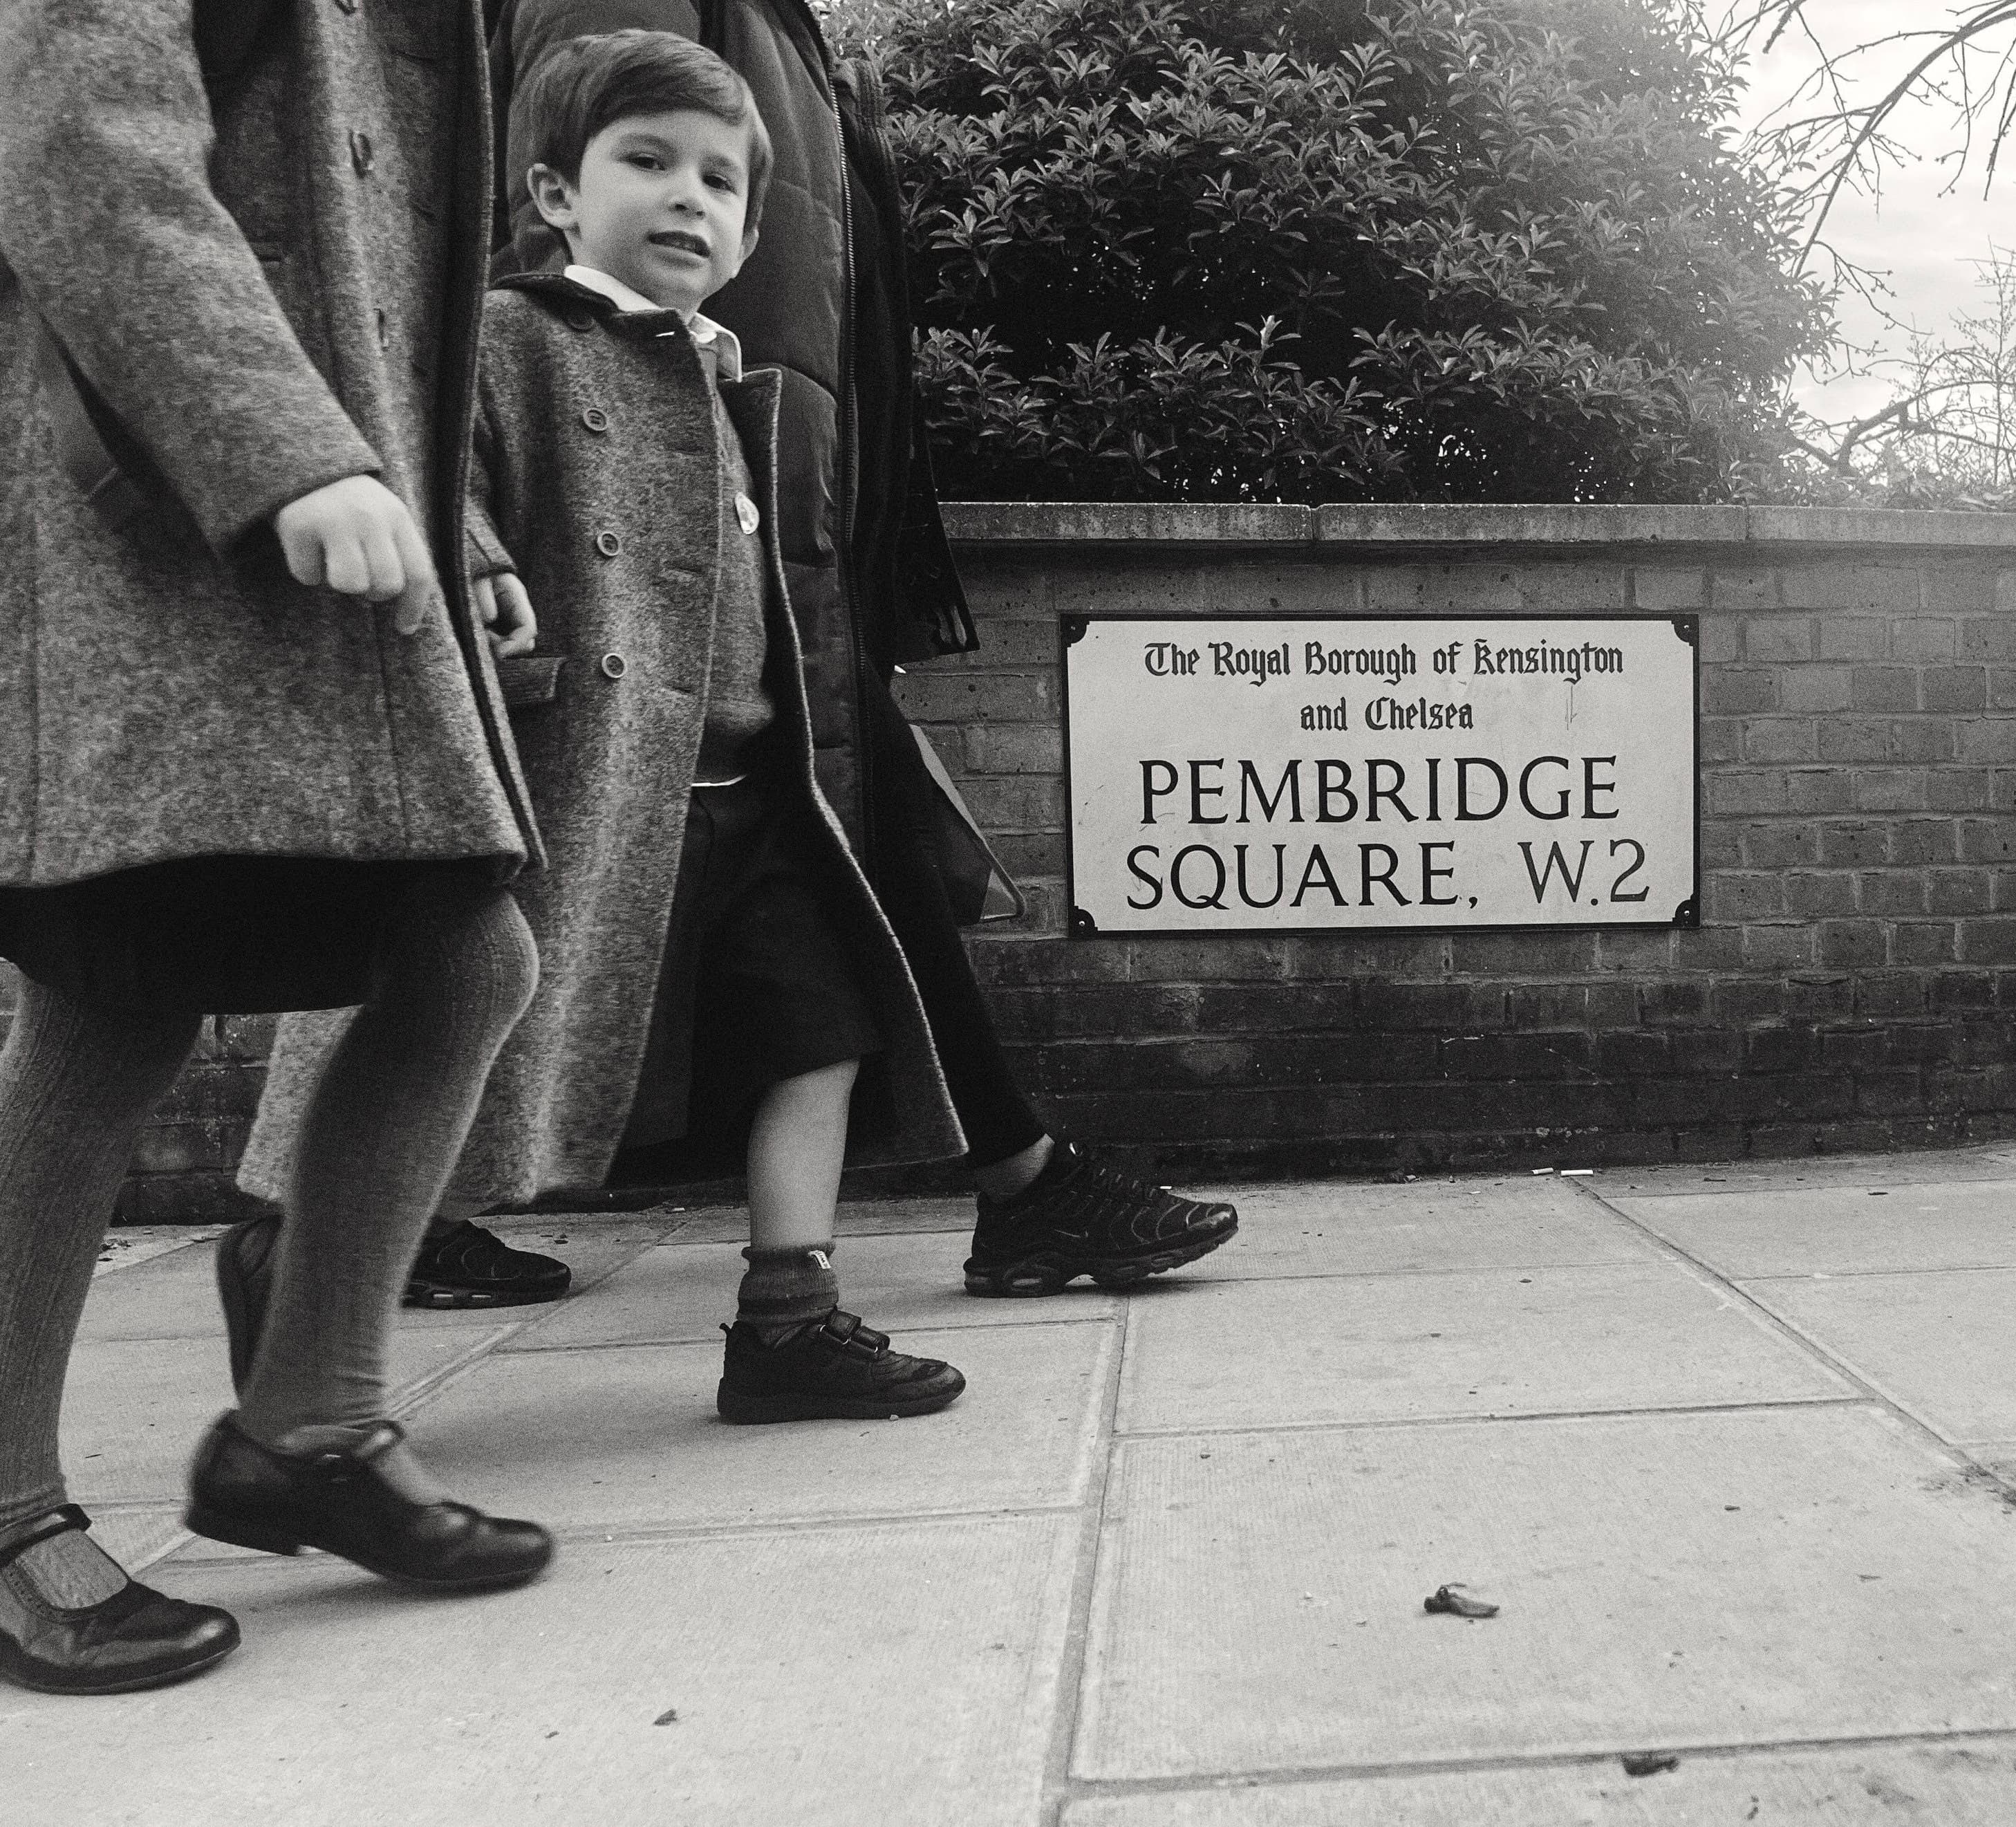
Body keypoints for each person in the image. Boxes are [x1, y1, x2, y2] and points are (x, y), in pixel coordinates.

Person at [239, 0, 1242, 1315]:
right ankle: (313, 1239)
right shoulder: (530, 322)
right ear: (557, 191)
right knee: (466, 980)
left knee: (815, 1008)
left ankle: (793, 1309)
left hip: (746, 651)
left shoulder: (728, 329)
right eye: (654, 167)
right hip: (574, 714)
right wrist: (477, 550)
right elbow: (441, 418)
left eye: (718, 182)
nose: (690, 196)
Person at [0, 0, 556, 1696]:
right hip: (155, 535)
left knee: (469, 954)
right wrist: (290, 450)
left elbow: (375, 286)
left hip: (320, 539)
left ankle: (307, 1426)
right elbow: (76, 152)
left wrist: (448, 519)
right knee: (115, 989)